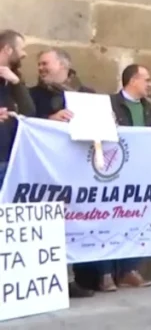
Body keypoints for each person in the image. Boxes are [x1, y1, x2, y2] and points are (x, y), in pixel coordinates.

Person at [27, 47, 95, 298]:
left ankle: (72, 278)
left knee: (73, 225)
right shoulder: (33, 95)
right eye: (39, 65)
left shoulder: (86, 95)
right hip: (45, 171)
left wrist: (107, 118)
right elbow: (27, 121)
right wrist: (50, 119)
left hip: (77, 171)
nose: (41, 68)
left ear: (63, 66)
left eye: (46, 63)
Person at [98, 64, 151, 291]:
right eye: (146, 79)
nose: (150, 84)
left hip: (138, 172)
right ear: (133, 81)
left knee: (134, 220)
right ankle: (105, 272)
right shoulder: (109, 104)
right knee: (106, 220)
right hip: (113, 172)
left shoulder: (148, 108)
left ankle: (129, 270)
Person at [0, 30, 32, 188]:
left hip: (9, 160)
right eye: (21, 48)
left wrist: (16, 83)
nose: (24, 54)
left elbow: (29, 111)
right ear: (8, 49)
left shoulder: (15, 77)